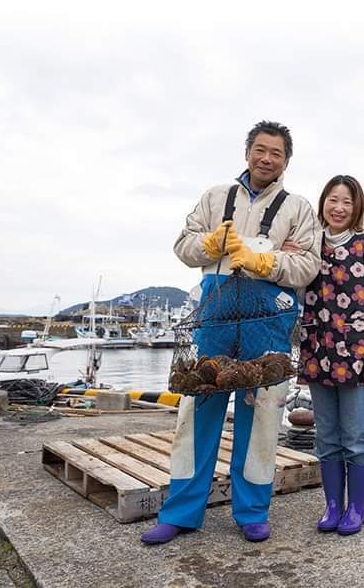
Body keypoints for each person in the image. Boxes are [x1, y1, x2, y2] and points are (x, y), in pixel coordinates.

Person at [140, 120, 321, 545]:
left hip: (269, 322)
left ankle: (251, 510)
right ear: (247, 153)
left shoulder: (297, 208)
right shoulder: (214, 198)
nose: (266, 159)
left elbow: (309, 266)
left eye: (276, 153)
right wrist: (210, 245)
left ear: (286, 161)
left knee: (261, 416)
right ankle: (181, 512)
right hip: (214, 315)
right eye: (260, 150)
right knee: (195, 413)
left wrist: (267, 263)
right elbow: (183, 246)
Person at [295, 174, 364, 535]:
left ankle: (356, 509)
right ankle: (332, 505)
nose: (339, 208)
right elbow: (300, 290)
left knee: (355, 436)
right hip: (318, 350)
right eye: (333, 200)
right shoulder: (311, 243)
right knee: (326, 435)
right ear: (322, 204)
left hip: (357, 354)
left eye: (347, 202)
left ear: (357, 207)